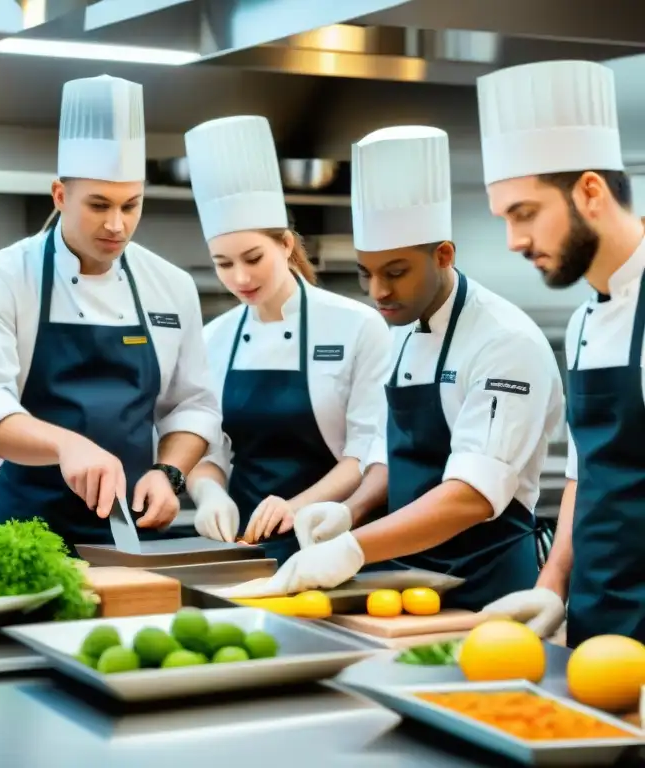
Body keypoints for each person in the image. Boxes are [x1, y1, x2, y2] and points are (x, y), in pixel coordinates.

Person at [222, 125, 565, 610]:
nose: (378, 291)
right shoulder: (401, 329)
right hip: (410, 579)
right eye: (367, 273)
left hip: (486, 587)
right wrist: (350, 510)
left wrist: (355, 547)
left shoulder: (503, 340)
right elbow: (393, 451)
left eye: (397, 272)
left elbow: (472, 494)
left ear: (443, 255)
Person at [0, 74, 222, 555]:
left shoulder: (171, 285)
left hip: (127, 529)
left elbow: (193, 405)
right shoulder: (1, 276)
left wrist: (168, 472)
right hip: (24, 531)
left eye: (131, 205)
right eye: (98, 205)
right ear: (60, 195)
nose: (117, 225)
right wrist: (65, 445)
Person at [475, 60, 645, 645]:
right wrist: (553, 583)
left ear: (589, 192)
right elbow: (585, 471)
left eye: (524, 214)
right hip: (599, 612)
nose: (514, 241)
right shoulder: (580, 324)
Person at [181, 115, 391, 565]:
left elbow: (365, 454)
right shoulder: (214, 338)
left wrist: (296, 506)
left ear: (285, 244)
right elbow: (205, 447)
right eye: (223, 263)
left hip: (334, 539)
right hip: (244, 546)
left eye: (253, 258)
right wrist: (210, 494)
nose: (240, 277)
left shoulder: (358, 326)